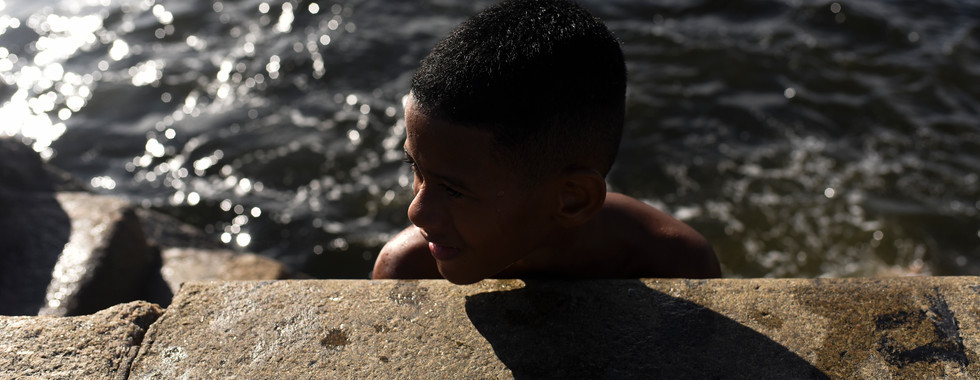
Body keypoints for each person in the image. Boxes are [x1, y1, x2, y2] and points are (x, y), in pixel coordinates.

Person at [372, 0, 721, 284]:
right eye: (415, 167)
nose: (415, 211)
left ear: (572, 200)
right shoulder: (406, 270)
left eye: (453, 190)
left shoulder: (674, 265)